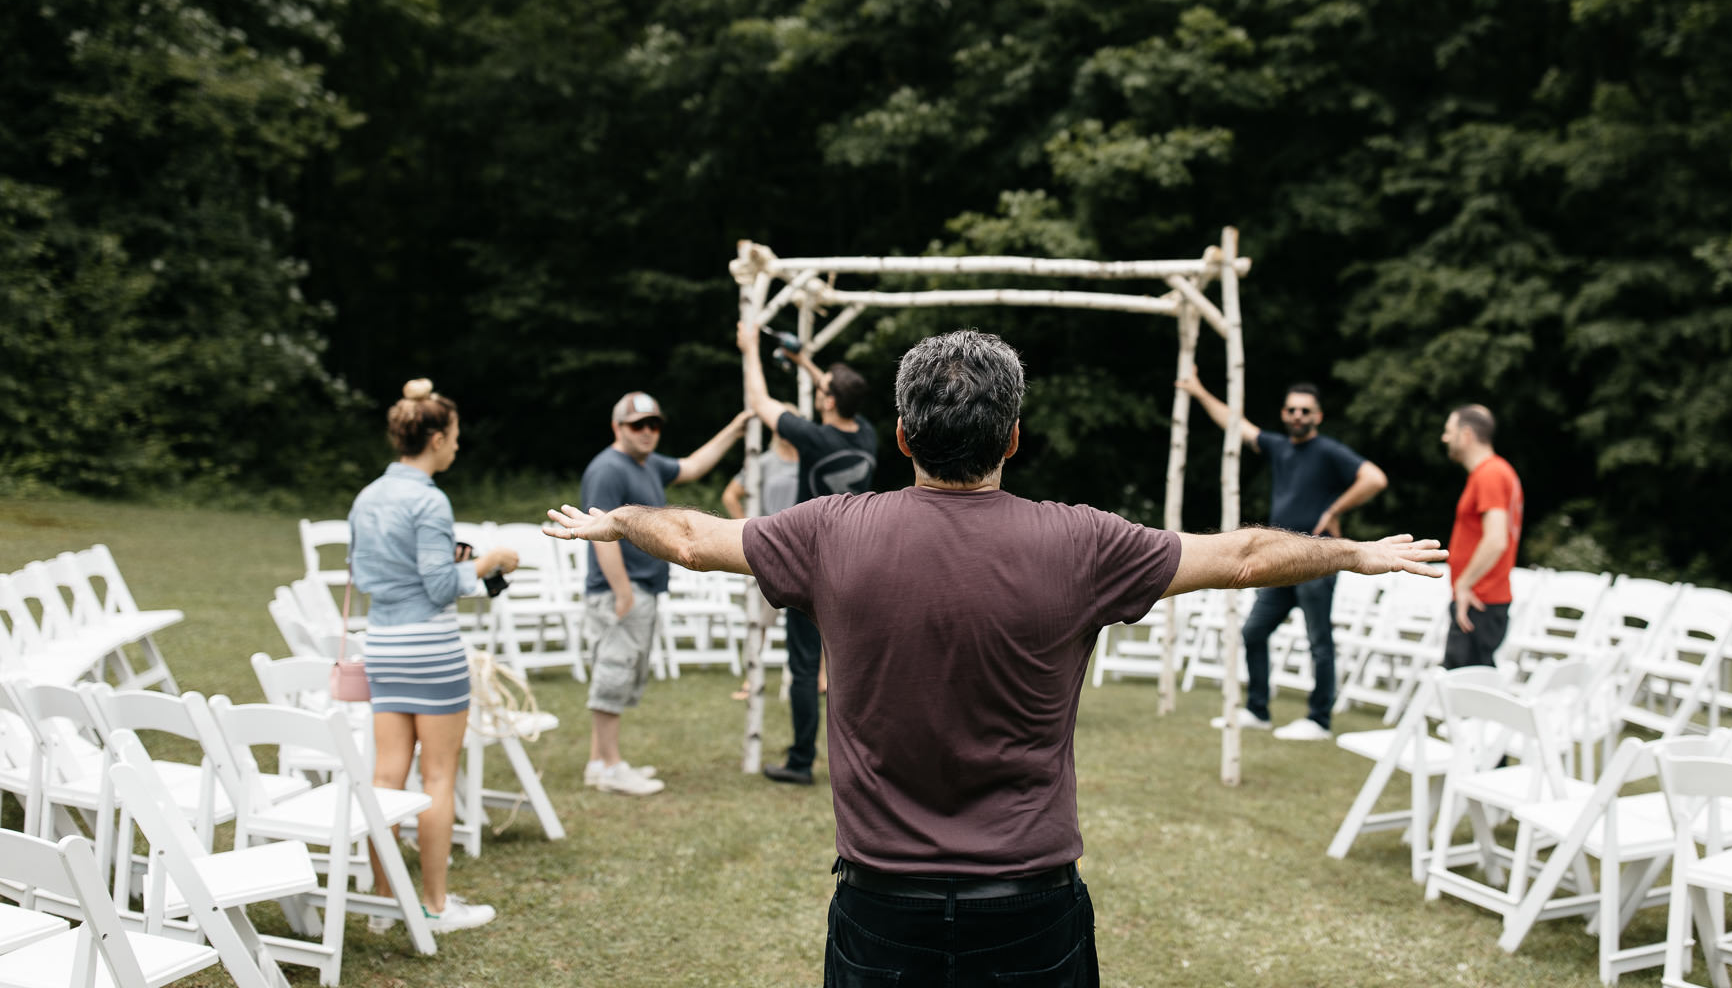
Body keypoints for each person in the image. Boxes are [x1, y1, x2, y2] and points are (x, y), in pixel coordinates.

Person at [544, 330, 1443, 986]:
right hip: (1031, 907)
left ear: (899, 436)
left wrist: (619, 518)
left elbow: (696, 538)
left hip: (879, 906)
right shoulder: (1084, 543)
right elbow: (1244, 555)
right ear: (1013, 437)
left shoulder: (827, 533)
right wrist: (1354, 552)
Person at [348, 378, 517, 932]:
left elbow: (369, 572)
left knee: (386, 775)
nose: (459, 446)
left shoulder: (367, 496)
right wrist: (491, 561)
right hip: (430, 649)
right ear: (437, 438)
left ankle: (382, 899)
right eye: (456, 436)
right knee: (439, 777)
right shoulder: (428, 499)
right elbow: (442, 586)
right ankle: (436, 905)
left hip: (382, 646)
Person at [1178, 372, 1388, 739]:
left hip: (1318, 561)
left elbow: (1374, 478)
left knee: (1319, 641)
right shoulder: (1279, 447)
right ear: (1283, 413)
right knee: (1254, 632)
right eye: (1291, 409)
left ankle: (1319, 720)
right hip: (1279, 562)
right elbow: (1236, 425)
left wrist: (1334, 510)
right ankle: (1258, 710)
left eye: (1305, 410)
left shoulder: (1328, 451)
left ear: (1318, 416)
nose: (1297, 415)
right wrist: (1198, 390)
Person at [580, 391, 747, 796]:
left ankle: (600, 762)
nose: (648, 432)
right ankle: (609, 766)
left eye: (654, 424)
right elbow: (599, 532)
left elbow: (693, 466)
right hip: (622, 592)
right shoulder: (607, 469)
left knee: (621, 675)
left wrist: (736, 428)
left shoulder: (650, 465)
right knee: (614, 675)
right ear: (617, 427)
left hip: (640, 591)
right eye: (638, 425)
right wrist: (622, 592)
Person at [734, 321, 877, 786]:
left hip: (813, 562)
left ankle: (800, 762)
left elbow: (759, 403)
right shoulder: (868, 436)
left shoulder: (814, 439)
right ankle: (867, 761)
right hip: (860, 564)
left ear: (829, 400)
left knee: (802, 667)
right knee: (857, 668)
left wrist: (751, 348)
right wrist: (804, 363)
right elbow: (835, 391)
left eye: (824, 391)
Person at [723, 405, 800, 699]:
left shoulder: (809, 460)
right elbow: (730, 494)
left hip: (805, 547)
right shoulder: (764, 462)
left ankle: (820, 680)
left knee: (817, 621)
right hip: (771, 549)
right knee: (759, 620)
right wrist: (748, 530)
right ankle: (751, 679)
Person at [1440, 403, 1523, 669]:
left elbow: (1496, 539)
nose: (1444, 438)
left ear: (1466, 434)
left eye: (1448, 431)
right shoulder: (1494, 472)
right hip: (1481, 600)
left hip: (1478, 600)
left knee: (1462, 693)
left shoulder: (1490, 474)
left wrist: (1464, 585)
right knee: (1472, 688)